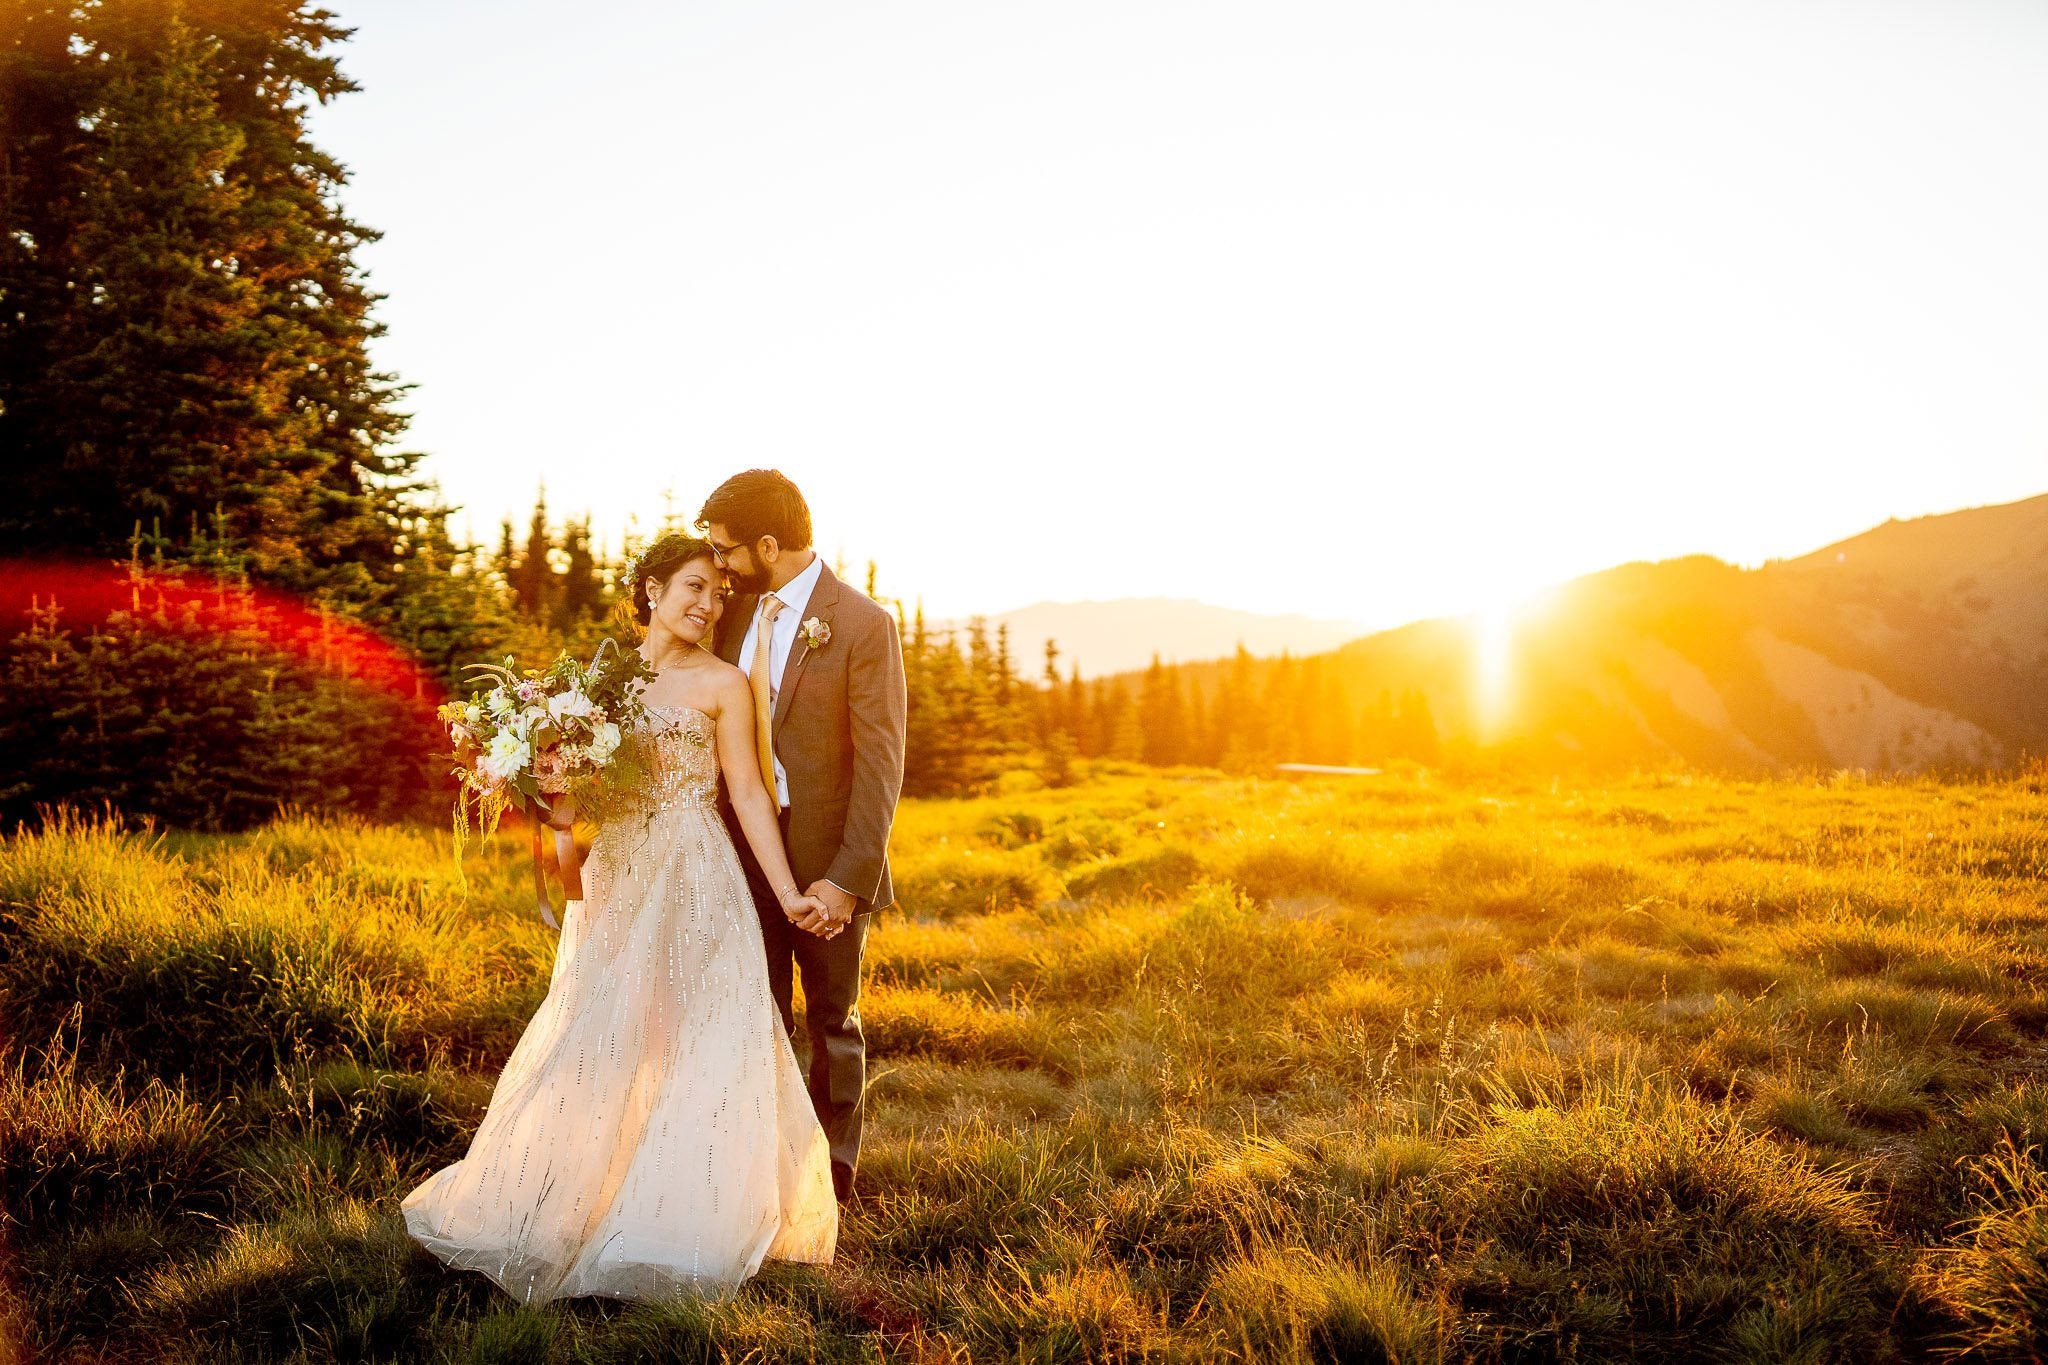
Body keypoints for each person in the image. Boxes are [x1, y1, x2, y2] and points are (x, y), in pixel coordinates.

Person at [402, 534, 838, 1303]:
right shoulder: (601, 685)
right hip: (618, 876)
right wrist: (554, 795)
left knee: (701, 1036)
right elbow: (585, 805)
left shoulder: (725, 684)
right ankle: (585, 1200)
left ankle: (681, 1221)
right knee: (608, 1035)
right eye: (693, 587)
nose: (707, 605)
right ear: (651, 588)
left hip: (696, 873)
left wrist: (789, 891)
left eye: (717, 595)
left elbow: (746, 795)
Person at [701, 470, 908, 1203]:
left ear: (767, 544)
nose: (718, 564)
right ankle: (759, 1164)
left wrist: (848, 879)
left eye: (726, 550)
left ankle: (832, 1175)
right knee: (754, 1009)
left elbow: (883, 766)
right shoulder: (730, 616)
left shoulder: (861, 623)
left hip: (828, 860)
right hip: (743, 852)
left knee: (831, 1019)